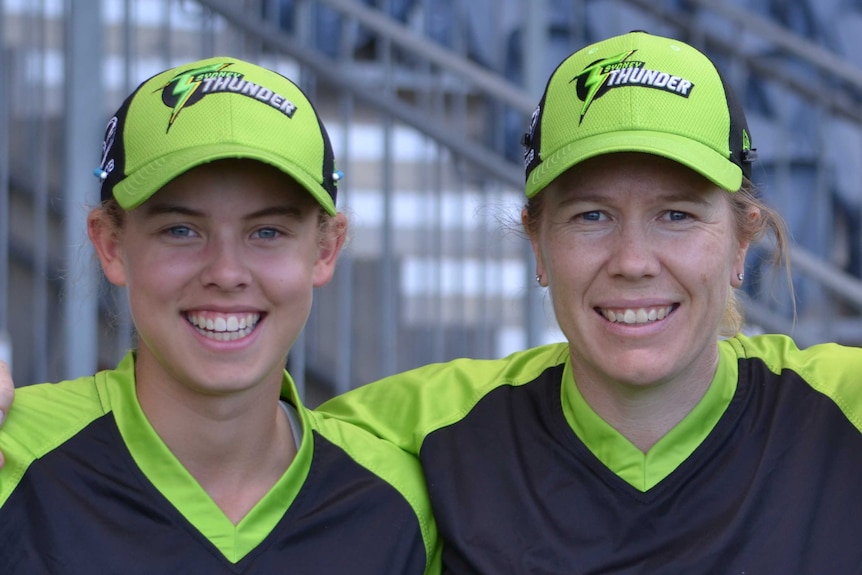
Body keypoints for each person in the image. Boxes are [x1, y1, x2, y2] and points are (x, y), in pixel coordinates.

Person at [2, 30, 862, 574]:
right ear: (537, 245)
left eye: (677, 215)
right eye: (590, 215)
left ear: (743, 239)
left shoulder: (839, 409)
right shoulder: (421, 443)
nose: (634, 260)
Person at [0, 56, 440, 573]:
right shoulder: (14, 460)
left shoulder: (398, 501)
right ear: (111, 244)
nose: (227, 272)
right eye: (181, 230)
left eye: (267, 232)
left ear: (326, 248)